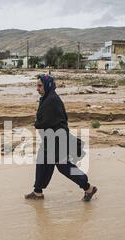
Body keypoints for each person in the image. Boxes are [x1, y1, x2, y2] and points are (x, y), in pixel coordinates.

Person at [25, 74, 98, 202]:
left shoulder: (51, 100)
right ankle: (37, 191)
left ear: (47, 85)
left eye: (40, 86)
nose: (37, 89)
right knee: (43, 163)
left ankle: (88, 187)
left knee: (63, 167)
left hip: (57, 140)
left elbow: (46, 122)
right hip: (51, 139)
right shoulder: (47, 98)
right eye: (36, 85)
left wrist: (36, 123)